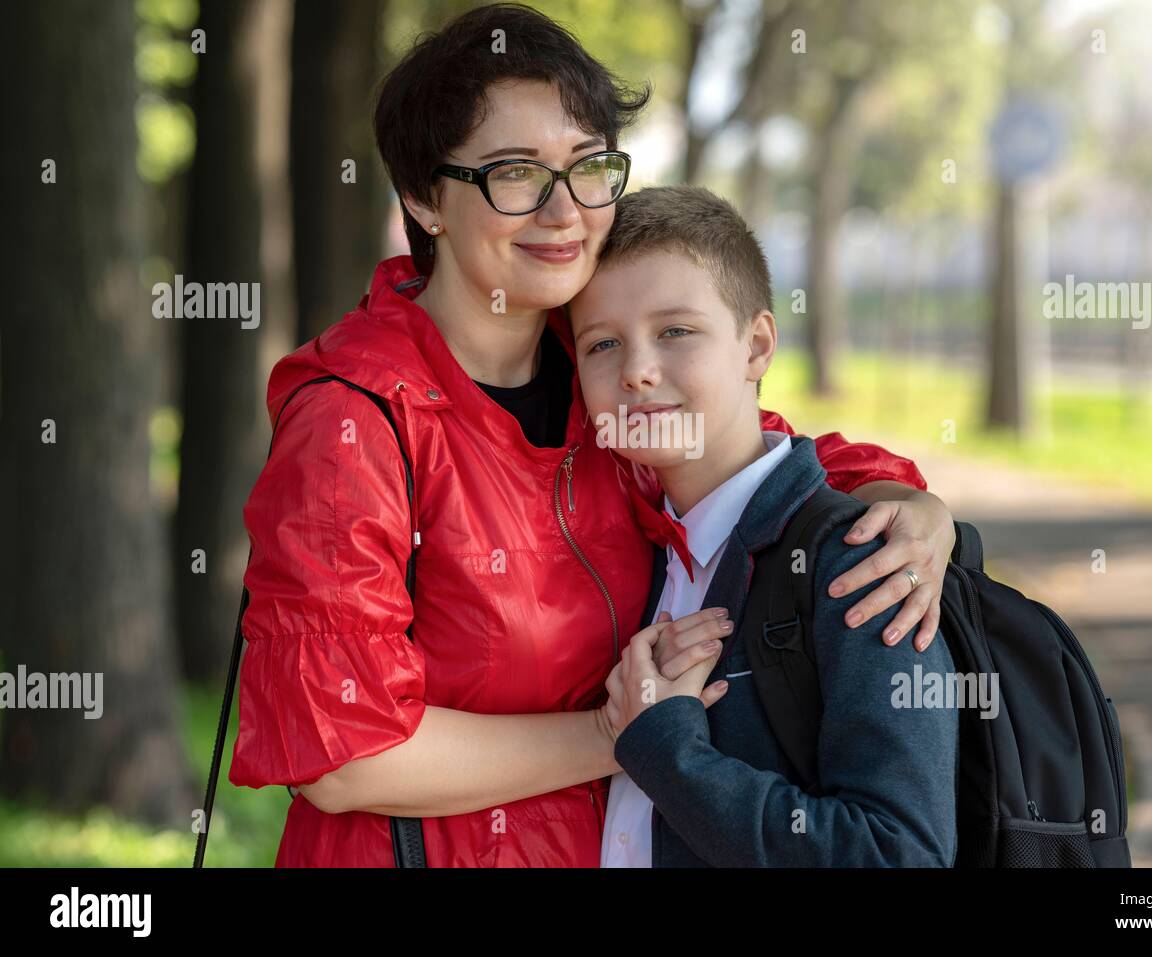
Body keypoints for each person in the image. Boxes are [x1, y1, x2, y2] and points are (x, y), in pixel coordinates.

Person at [228, 2, 956, 867]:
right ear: (424, 199)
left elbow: (743, 452)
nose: (563, 210)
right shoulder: (356, 419)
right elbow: (342, 752)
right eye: (514, 173)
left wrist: (900, 502)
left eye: (585, 167)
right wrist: (626, 734)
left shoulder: (597, 375)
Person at [572, 185, 958, 866]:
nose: (636, 370)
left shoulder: (859, 563)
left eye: (675, 331)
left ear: (756, 346)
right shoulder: (631, 549)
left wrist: (668, 747)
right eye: (602, 343)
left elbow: (899, 854)